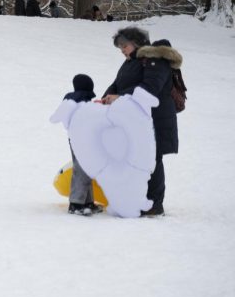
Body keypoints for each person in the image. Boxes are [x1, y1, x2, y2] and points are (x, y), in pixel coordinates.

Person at [98, 28, 180, 217]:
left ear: (137, 43)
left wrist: (119, 97)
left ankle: (154, 204)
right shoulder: (131, 62)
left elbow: (150, 88)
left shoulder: (155, 59)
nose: (122, 50)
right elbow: (117, 84)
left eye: (124, 45)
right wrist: (105, 98)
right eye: (119, 47)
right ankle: (139, 198)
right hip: (137, 121)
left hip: (156, 119)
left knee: (153, 159)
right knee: (139, 158)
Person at [62, 74, 104, 215]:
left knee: (85, 170)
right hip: (84, 141)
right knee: (82, 171)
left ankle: (87, 202)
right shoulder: (84, 103)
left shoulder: (71, 100)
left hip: (74, 139)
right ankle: (76, 204)